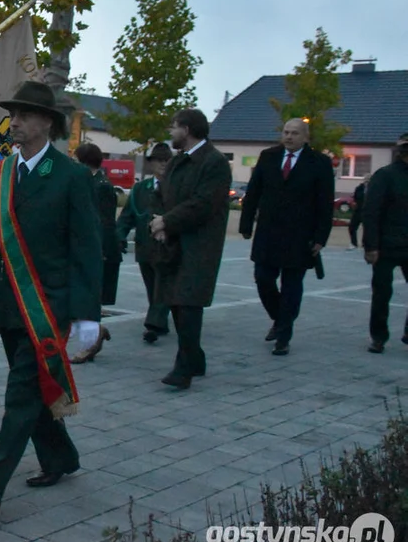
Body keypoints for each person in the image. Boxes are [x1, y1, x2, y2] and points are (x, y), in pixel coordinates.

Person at [0, 81, 102, 518]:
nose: (14, 122)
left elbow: (87, 247)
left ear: (47, 124)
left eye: (23, 115)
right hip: (8, 302)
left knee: (19, 396)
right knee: (35, 388)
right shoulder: (0, 172)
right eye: (12, 114)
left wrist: (87, 313)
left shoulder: (71, 176)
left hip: (47, 308)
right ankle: (61, 458)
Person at [150, 109, 232, 389]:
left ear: (187, 129)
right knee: (175, 301)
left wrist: (167, 221)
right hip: (173, 242)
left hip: (199, 245)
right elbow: (162, 196)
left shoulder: (214, 162)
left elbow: (203, 204)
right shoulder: (177, 162)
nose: (171, 132)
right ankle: (195, 358)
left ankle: (183, 369)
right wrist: (160, 223)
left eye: (174, 127)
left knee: (188, 303)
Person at [239, 118, 334, 355]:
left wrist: (321, 237)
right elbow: (254, 192)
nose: (289, 137)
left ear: (306, 137)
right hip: (268, 232)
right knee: (263, 278)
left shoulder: (319, 163)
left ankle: (283, 336)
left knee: (292, 285)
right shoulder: (268, 156)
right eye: (286, 132)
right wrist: (246, 223)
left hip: (300, 236)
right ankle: (281, 319)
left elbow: (325, 204)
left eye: (294, 133)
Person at [115, 143, 174, 344]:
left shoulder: (176, 187)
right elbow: (128, 216)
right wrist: (119, 235)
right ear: (150, 164)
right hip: (144, 247)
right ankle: (160, 321)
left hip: (167, 247)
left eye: (166, 160)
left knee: (163, 285)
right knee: (152, 287)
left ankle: (152, 324)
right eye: (158, 160)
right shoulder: (141, 189)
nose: (162, 164)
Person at [70, 142, 117, 364]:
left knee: (86, 298)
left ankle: (89, 343)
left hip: (95, 250)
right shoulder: (87, 181)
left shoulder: (102, 186)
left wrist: (101, 251)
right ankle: (94, 333)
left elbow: (104, 222)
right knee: (79, 297)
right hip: (82, 248)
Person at [363, 132, 408, 354]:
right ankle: (378, 337)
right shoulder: (386, 175)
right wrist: (371, 246)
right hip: (386, 245)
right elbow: (371, 212)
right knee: (381, 293)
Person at [348, 177, 368, 250]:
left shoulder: (373, 188)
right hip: (358, 211)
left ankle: (365, 244)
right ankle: (353, 243)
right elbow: (356, 198)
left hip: (367, 212)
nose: (367, 182)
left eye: (369, 180)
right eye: (366, 180)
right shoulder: (359, 188)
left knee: (367, 228)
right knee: (352, 227)